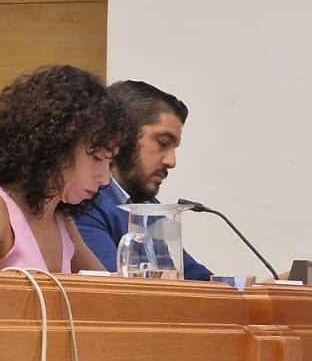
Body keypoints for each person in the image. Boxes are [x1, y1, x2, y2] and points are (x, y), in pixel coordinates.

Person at [0, 64, 131, 273]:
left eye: (110, 163)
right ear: (56, 146)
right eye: (97, 158)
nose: (104, 179)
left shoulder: (61, 220)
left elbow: (104, 293)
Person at [75, 80, 212, 279]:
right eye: (162, 143)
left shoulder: (148, 207)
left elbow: (199, 281)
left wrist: (259, 289)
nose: (171, 161)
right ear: (121, 137)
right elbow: (119, 292)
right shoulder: (85, 203)